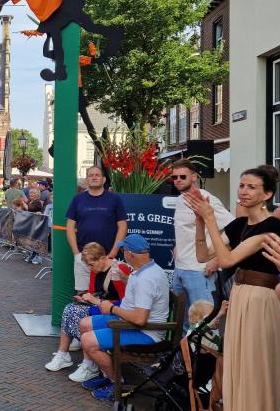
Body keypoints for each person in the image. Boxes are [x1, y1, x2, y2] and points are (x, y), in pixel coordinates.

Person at [185, 165, 280, 411]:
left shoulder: (271, 227)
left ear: (267, 194)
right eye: (242, 185)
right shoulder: (239, 225)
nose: (244, 191)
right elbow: (202, 255)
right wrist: (200, 221)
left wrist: (210, 218)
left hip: (261, 299)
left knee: (255, 366)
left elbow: (228, 260)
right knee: (237, 364)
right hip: (240, 295)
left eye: (252, 187)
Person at [78, 234, 170, 401]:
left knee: (88, 341)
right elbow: (137, 296)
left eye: (123, 250)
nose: (122, 253)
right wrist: (125, 279)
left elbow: (140, 319)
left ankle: (115, 382)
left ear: (130, 253)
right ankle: (106, 375)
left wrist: (112, 308)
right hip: (129, 322)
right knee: (85, 324)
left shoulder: (146, 279)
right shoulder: (146, 269)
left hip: (145, 333)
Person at [45, 242, 131, 377]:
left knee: (75, 312)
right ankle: (63, 353)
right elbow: (93, 291)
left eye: (92, 264)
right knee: (69, 308)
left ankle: (87, 363)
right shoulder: (95, 270)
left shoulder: (118, 270)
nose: (90, 268)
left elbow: (125, 302)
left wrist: (96, 300)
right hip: (100, 304)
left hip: (113, 309)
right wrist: (85, 298)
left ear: (103, 258)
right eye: (88, 265)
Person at [171, 159, 233, 331]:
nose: (178, 180)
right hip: (180, 269)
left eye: (182, 176)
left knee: (205, 324)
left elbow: (233, 229)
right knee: (184, 324)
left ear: (194, 176)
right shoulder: (179, 200)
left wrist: (216, 259)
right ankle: (186, 358)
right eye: (174, 177)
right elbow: (184, 230)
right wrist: (178, 246)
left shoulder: (207, 199)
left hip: (200, 271)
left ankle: (207, 358)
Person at [66, 166, 127, 293]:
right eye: (90, 175)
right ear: (87, 180)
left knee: (109, 294)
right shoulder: (77, 199)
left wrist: (113, 253)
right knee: (82, 295)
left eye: (97, 175)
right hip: (83, 258)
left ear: (104, 179)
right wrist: (77, 253)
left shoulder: (115, 199)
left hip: (107, 258)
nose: (94, 177)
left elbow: (122, 227)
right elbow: (70, 227)